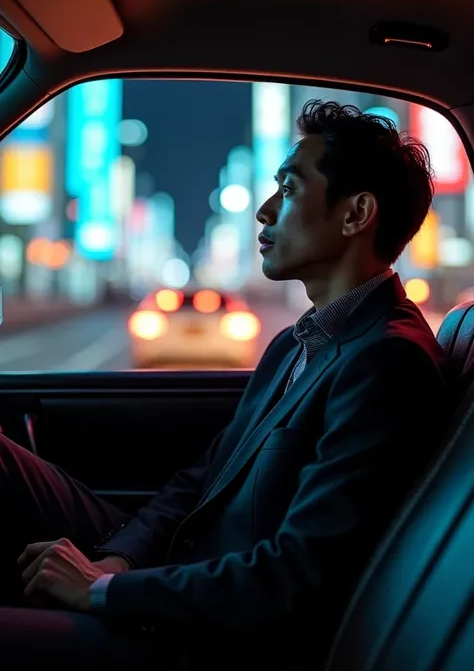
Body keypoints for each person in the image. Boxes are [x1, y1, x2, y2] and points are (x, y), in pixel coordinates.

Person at [0, 100, 450, 669]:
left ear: (356, 213)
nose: (264, 212)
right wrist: (121, 558)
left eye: (288, 190)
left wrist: (100, 591)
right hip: (181, 571)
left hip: (214, 630)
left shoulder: (387, 362)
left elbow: (295, 576)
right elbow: (201, 481)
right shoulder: (297, 342)